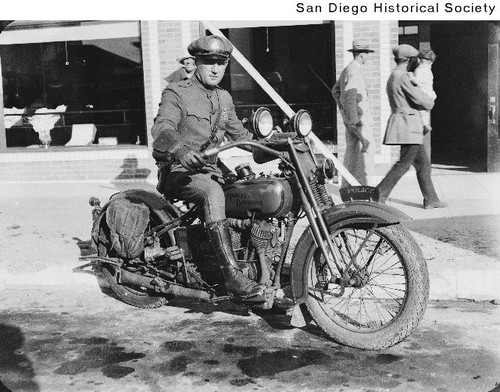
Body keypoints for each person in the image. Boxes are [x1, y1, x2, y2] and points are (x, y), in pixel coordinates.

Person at [151, 35, 264, 298]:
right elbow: (161, 128)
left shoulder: (224, 98)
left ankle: (254, 259)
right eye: (209, 62)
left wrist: (277, 145)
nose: (216, 69)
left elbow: (241, 137)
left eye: (221, 64)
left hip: (212, 171)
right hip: (180, 172)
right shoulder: (177, 92)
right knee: (213, 192)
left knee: (251, 191)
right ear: (197, 62)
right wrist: (180, 149)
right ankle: (231, 275)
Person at [376, 44, 447, 210]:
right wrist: (431, 100)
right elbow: (423, 100)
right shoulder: (403, 77)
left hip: (408, 125)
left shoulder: (394, 76)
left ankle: (431, 199)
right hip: (409, 126)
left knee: (423, 164)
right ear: (408, 60)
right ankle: (378, 194)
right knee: (404, 163)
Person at [332, 39, 374, 188]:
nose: (368, 56)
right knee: (364, 159)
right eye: (367, 53)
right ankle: (362, 191)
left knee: (351, 157)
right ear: (361, 55)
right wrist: (354, 121)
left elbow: (335, 91)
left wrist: (345, 114)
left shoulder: (348, 69)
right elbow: (349, 97)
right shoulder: (354, 71)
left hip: (353, 121)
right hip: (359, 122)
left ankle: (348, 189)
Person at [410, 49, 437, 161]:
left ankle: (425, 124)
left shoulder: (419, 70)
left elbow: (417, 82)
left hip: (423, 94)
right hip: (430, 94)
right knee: (425, 112)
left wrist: (410, 76)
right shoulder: (429, 71)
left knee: (421, 111)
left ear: (419, 59)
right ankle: (425, 123)